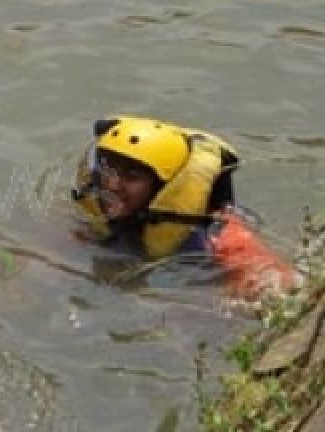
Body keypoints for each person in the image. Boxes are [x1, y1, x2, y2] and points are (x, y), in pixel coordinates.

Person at [72, 116, 296, 299]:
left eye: (132, 177)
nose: (112, 185)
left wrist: (261, 289)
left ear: (163, 187)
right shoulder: (99, 208)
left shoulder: (218, 232)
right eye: (109, 170)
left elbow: (275, 282)